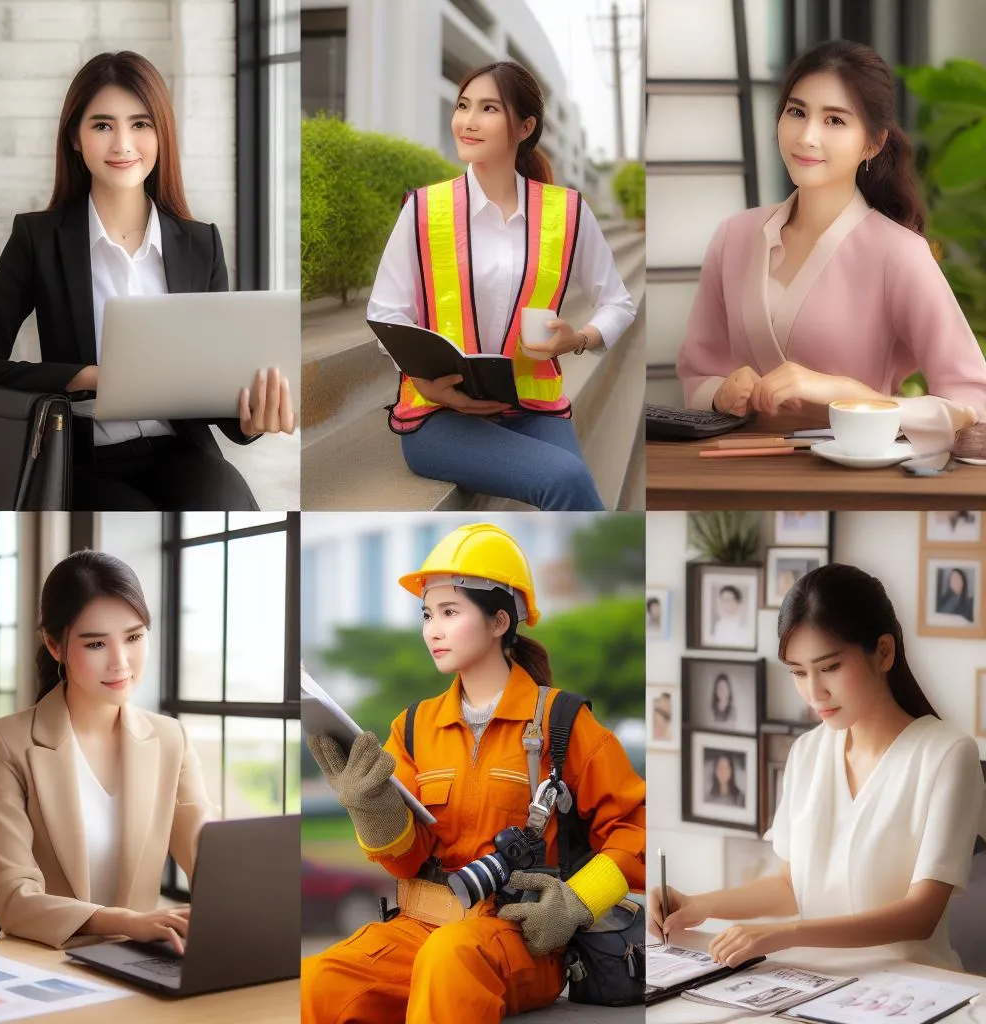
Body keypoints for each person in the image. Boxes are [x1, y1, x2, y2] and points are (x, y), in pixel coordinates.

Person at [301, 523, 645, 1023]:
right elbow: (407, 859)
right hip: (420, 924)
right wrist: (372, 812)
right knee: (320, 981)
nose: (432, 630)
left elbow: (635, 828)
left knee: (450, 959)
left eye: (449, 612)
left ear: (499, 620)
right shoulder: (415, 726)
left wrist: (575, 901)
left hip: (518, 936)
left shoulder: (563, 724)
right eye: (426, 615)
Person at [0, 51, 295, 511]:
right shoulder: (38, 240)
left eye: (140, 124)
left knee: (230, 505)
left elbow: (212, 387)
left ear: (161, 133)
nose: (123, 144)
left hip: (180, 452)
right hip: (81, 458)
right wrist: (84, 377)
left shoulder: (201, 244)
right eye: (102, 125)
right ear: (76, 139)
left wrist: (253, 417)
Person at [648, 562, 986, 970]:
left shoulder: (948, 755)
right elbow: (793, 885)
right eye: (797, 672)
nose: (814, 692)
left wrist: (786, 934)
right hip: (813, 986)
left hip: (914, 993)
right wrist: (698, 905)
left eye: (829, 668)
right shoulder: (807, 753)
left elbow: (920, 915)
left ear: (883, 652)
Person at [368, 61, 636, 511]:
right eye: (463, 106)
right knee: (567, 477)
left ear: (525, 126)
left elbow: (618, 303)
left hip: (532, 406)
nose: (467, 121)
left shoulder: (566, 212)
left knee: (572, 487)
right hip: (439, 413)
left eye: (488, 108)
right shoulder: (423, 209)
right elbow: (386, 314)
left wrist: (579, 338)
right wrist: (427, 384)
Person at [675, 40, 986, 425]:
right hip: (739, 471)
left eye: (834, 120)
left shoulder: (898, 253)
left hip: (854, 476)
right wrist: (719, 393)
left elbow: (974, 403)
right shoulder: (733, 236)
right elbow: (697, 374)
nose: (807, 136)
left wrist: (855, 396)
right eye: (796, 112)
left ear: (873, 143)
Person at [0, 550, 215, 950]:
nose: (121, 663)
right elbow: (11, 894)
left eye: (134, 637)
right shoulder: (6, 743)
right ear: (54, 646)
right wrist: (127, 922)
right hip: (44, 962)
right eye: (95, 644)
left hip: (141, 960)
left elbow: (209, 856)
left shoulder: (171, 738)